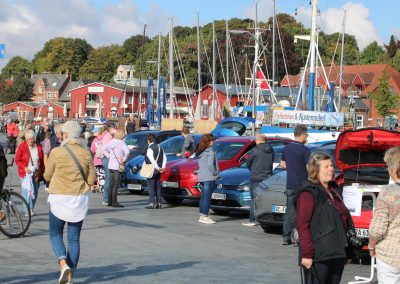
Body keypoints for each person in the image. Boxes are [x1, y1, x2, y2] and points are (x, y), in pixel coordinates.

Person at [44, 121, 96, 284]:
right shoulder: (86, 153)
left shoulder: (56, 152)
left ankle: (63, 264)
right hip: (78, 199)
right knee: (74, 238)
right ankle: (71, 273)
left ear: (65, 135)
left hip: (59, 197)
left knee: (55, 233)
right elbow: (91, 179)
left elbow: (47, 175)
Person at [296, 152, 348, 284]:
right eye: (326, 166)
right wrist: (307, 254)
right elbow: (303, 225)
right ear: (316, 169)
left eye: (331, 165)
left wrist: (347, 250)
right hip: (319, 254)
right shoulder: (308, 192)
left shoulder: (334, 190)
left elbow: (343, 219)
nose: (331, 169)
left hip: (337, 252)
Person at [369, 147, 400, 283]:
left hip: (391, 254)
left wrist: (371, 245)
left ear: (393, 170)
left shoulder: (388, 191)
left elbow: (378, 228)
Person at [280, 124, 310, 245]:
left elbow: (282, 164)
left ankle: (286, 236)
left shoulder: (286, 148)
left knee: (290, 211)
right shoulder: (305, 150)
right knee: (302, 212)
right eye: (306, 135)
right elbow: (309, 168)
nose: (307, 137)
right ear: (302, 135)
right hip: (302, 185)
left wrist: (292, 166)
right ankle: (298, 238)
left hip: (290, 184)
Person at [244, 135, 274, 226]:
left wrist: (253, 169)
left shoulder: (255, 150)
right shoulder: (271, 150)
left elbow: (248, 162)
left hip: (256, 178)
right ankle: (265, 218)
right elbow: (272, 161)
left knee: (254, 199)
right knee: (265, 199)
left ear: (259, 140)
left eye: (256, 139)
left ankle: (252, 220)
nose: (255, 141)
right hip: (267, 178)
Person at [15, 130, 44, 216]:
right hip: (25, 173)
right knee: (26, 191)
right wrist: (24, 167)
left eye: (32, 139)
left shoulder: (38, 146)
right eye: (29, 139)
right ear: (26, 139)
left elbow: (41, 160)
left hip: (36, 172)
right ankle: (27, 210)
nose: (31, 140)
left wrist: (42, 171)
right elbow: (17, 160)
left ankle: (31, 208)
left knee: (35, 191)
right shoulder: (22, 146)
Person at [196, 133, 219, 224]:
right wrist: (215, 173)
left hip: (202, 176)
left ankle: (202, 215)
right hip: (209, 177)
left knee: (203, 197)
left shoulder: (201, 151)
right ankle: (205, 216)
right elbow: (210, 164)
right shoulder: (210, 152)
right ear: (209, 142)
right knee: (207, 198)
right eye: (212, 140)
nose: (214, 142)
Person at [103, 130, 129, 208]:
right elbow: (127, 152)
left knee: (111, 184)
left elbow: (103, 149)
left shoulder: (111, 141)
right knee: (116, 185)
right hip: (117, 165)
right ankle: (114, 202)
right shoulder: (122, 143)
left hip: (110, 165)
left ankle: (109, 201)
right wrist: (124, 159)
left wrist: (108, 156)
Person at [144, 133, 166, 209]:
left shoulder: (150, 148)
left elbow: (152, 160)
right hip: (159, 169)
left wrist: (157, 168)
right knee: (157, 186)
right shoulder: (160, 147)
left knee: (151, 186)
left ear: (148, 140)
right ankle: (159, 202)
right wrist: (162, 167)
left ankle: (152, 203)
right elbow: (165, 157)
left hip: (152, 169)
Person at [100, 123, 117, 205]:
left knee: (111, 179)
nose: (116, 130)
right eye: (114, 128)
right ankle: (106, 198)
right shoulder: (107, 137)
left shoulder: (112, 137)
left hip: (109, 159)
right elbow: (103, 149)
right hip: (107, 159)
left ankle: (109, 198)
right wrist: (110, 156)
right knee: (109, 179)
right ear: (110, 129)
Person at [90, 125, 108, 195]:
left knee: (100, 176)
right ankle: (106, 190)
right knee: (107, 176)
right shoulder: (109, 139)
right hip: (106, 159)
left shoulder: (95, 139)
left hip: (97, 160)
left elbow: (92, 150)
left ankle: (102, 188)